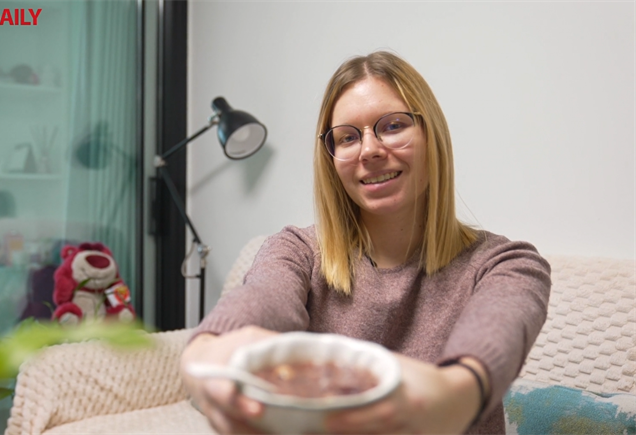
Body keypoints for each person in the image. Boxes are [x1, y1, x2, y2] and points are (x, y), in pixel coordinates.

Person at [180, 50, 551, 435]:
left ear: (431, 135)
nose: (370, 150)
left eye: (392, 126)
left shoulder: (506, 264)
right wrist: (204, 349)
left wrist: (454, 392)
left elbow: (488, 348)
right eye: (347, 137)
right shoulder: (297, 251)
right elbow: (263, 296)